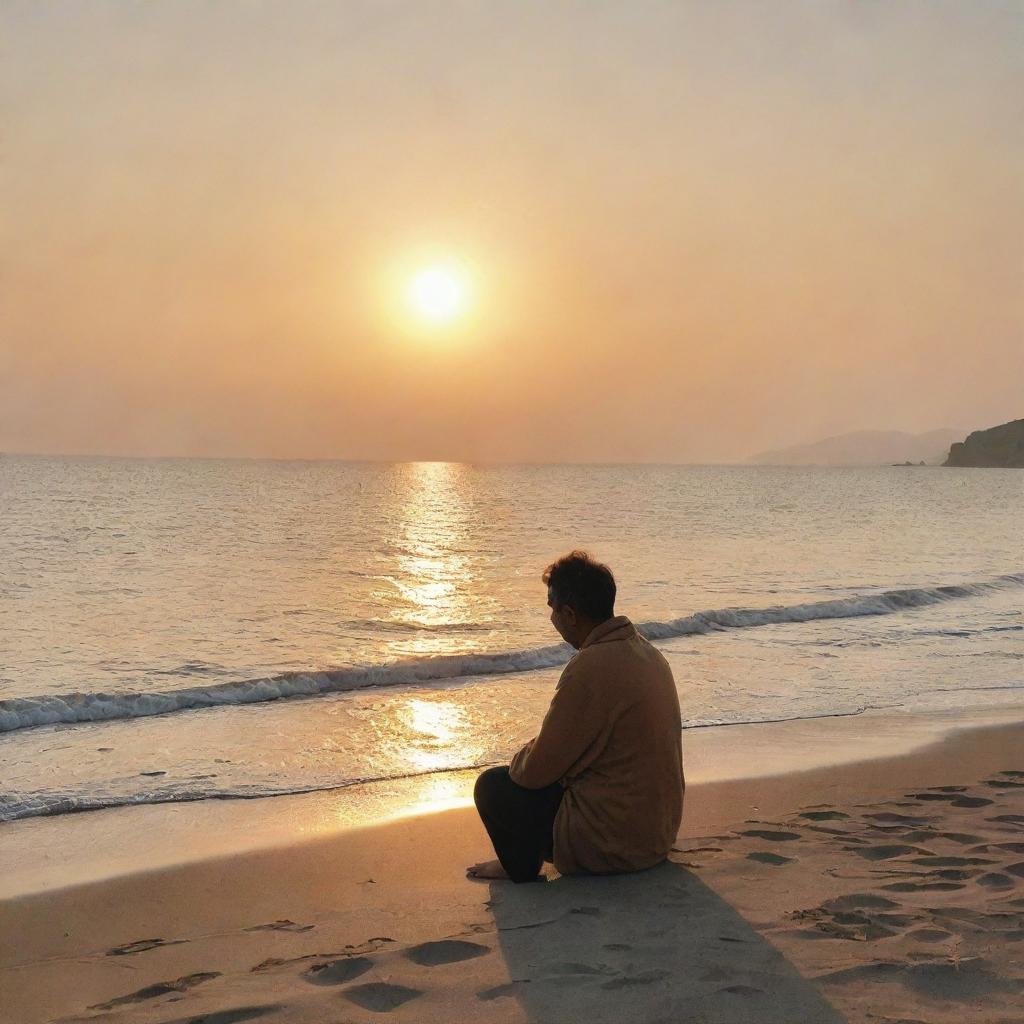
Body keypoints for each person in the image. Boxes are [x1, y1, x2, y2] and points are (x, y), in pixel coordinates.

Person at [467, 550, 684, 882]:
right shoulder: (648, 653)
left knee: (493, 787)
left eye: (552, 609)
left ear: (569, 614)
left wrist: (521, 757)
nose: (552, 618)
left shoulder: (590, 666)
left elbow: (535, 772)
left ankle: (516, 868)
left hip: (614, 844)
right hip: (656, 835)